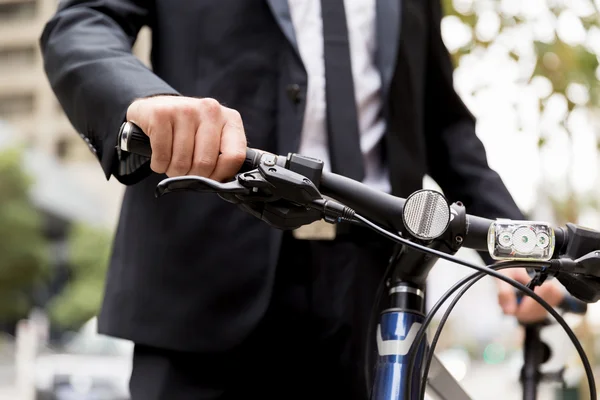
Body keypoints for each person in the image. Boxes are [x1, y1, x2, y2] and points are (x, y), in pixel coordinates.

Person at [40, 0, 565, 398]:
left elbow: (444, 124)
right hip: (205, 284)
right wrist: (144, 97)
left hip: (372, 286)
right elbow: (81, 23)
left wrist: (520, 245)